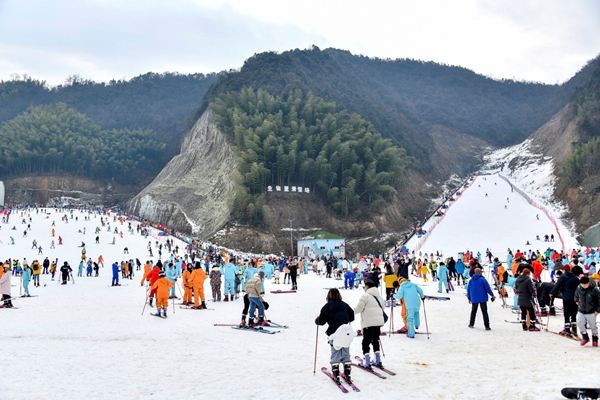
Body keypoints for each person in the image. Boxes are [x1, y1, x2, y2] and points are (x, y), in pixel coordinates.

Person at [315, 288, 356, 384]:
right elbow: (352, 317)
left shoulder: (327, 306)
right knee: (346, 353)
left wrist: (317, 320)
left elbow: (321, 321)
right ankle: (347, 373)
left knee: (335, 353)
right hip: (346, 333)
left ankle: (336, 374)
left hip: (334, 334)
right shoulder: (345, 305)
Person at [354, 280, 386, 368]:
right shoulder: (379, 297)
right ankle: (377, 359)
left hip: (368, 323)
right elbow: (383, 308)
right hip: (378, 322)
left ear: (367, 287)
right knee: (375, 340)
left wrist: (350, 313)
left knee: (366, 341)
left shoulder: (365, 296)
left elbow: (359, 308)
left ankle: (366, 360)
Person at [551, 265, 581, 337]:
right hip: (575, 298)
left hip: (566, 297)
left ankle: (567, 329)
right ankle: (574, 329)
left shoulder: (563, 277)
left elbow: (557, 286)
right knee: (573, 313)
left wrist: (552, 293)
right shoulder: (576, 278)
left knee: (567, 313)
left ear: (564, 270)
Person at [574, 276, 600, 347]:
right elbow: (576, 295)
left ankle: (595, 338)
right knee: (580, 323)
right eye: (582, 284)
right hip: (581, 310)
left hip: (591, 311)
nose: (584, 286)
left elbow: (599, 300)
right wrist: (576, 300)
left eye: (585, 284)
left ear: (588, 283)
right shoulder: (579, 288)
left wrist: (598, 310)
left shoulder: (594, 290)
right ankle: (585, 337)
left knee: (593, 326)